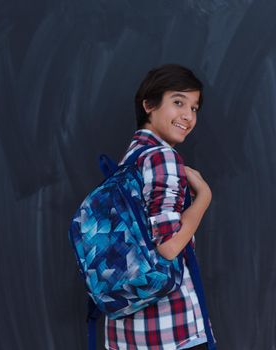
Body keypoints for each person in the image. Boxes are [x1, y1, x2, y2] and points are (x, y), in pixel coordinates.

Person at [105, 64, 214, 350]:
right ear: (149, 105)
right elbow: (167, 246)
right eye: (178, 102)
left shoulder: (130, 159)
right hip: (171, 330)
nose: (188, 116)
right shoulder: (162, 157)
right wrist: (204, 197)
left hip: (126, 330)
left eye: (194, 108)